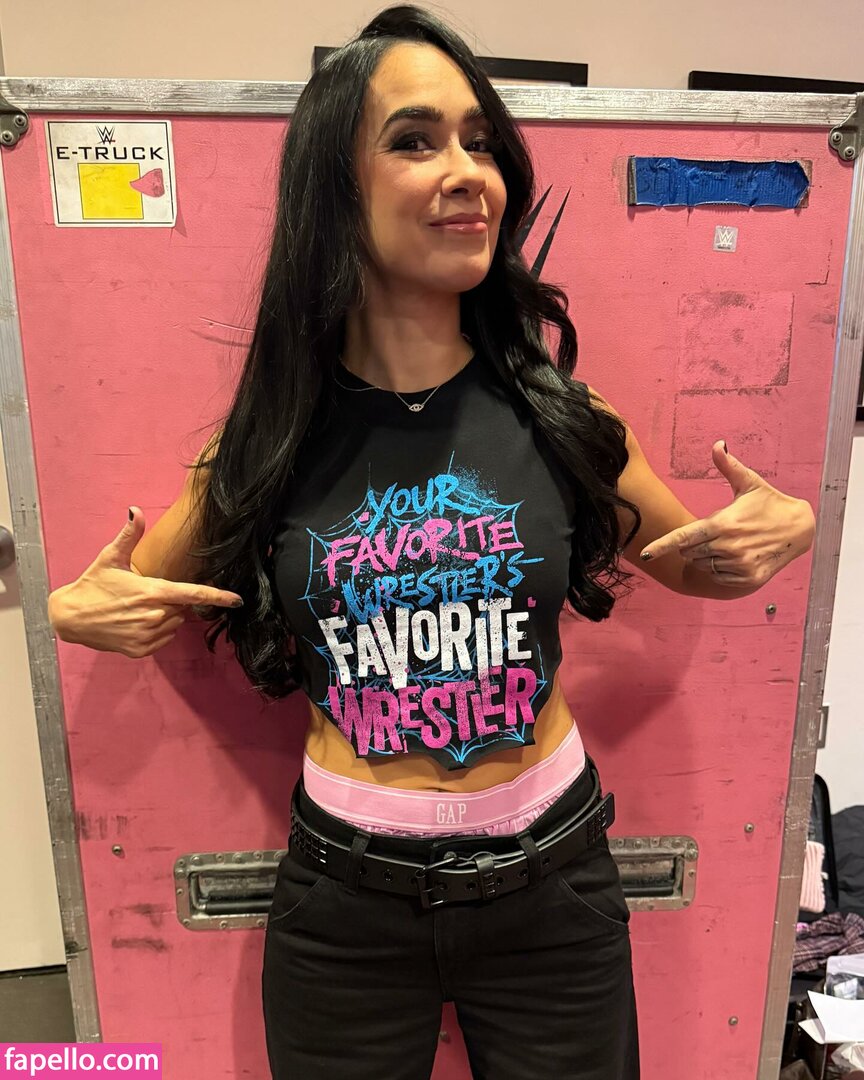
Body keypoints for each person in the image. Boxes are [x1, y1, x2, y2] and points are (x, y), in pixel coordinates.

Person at [47, 6, 816, 1078]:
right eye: (415, 141)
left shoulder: (559, 417)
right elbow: (129, 587)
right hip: (345, 910)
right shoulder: (270, 441)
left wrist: (780, 530)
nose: (467, 173)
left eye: (480, 142)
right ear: (334, 189)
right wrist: (71, 611)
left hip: (553, 891)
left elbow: (688, 558)